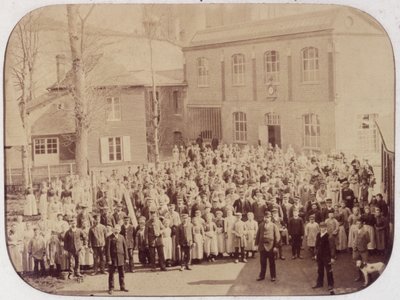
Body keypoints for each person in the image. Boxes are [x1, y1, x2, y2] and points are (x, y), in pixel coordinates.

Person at [255, 211, 280, 282]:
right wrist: (256, 244)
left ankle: (273, 276)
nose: (267, 219)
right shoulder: (261, 225)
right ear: (264, 218)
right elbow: (258, 235)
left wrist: (276, 246)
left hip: (271, 247)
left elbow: (277, 237)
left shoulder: (274, 226)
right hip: (262, 247)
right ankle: (261, 276)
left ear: (270, 218)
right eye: (265, 217)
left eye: (268, 217)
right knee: (262, 262)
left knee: (272, 262)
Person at [105, 224, 129, 295]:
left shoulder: (122, 237)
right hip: (113, 259)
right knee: (111, 274)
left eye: (118, 229)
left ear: (120, 230)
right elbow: (107, 250)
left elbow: (125, 248)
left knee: (122, 273)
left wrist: (126, 258)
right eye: (116, 229)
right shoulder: (109, 238)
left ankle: (122, 287)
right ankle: (111, 288)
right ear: (113, 229)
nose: (117, 231)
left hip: (121, 258)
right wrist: (108, 259)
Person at [312, 222, 334, 291]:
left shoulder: (329, 236)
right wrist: (315, 254)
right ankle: (319, 283)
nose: (322, 228)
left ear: (326, 228)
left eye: (323, 227)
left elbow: (332, 247)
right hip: (319, 256)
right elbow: (316, 245)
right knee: (320, 270)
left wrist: (332, 257)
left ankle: (330, 284)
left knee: (329, 271)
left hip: (327, 256)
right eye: (321, 227)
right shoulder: (318, 234)